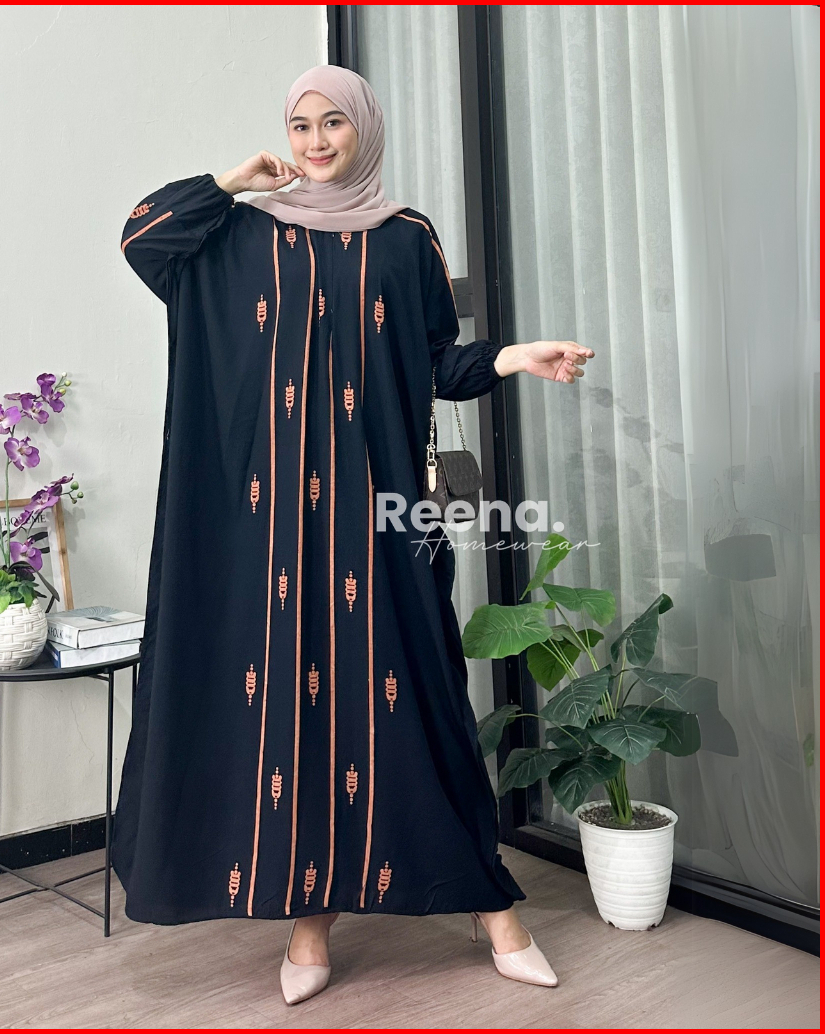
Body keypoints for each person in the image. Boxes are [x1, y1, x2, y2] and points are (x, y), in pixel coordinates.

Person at [113, 64, 593, 1005]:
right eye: (301, 125)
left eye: (334, 122)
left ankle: (493, 909)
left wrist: (514, 357)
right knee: (296, 707)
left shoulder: (405, 237)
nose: (317, 141)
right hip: (272, 538)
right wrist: (230, 182)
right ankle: (309, 925)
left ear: (363, 129)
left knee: (417, 702)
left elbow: (436, 363)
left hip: (379, 523)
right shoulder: (243, 234)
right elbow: (142, 239)